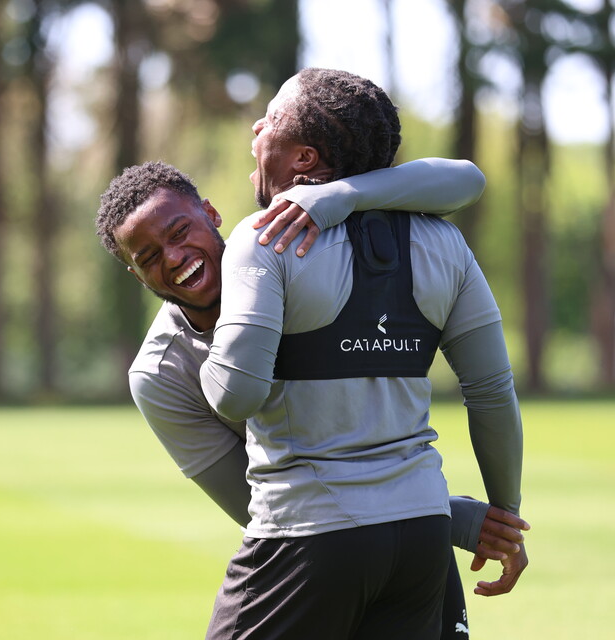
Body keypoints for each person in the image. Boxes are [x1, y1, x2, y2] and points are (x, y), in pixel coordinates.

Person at [96, 159, 528, 638]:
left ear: (212, 214)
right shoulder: (162, 375)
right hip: (318, 542)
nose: (174, 258)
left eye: (179, 232)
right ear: (137, 276)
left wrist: (342, 194)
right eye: (149, 257)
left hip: (412, 545)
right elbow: (252, 502)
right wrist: (456, 517)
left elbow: (464, 180)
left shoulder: (288, 247)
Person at [198, 68, 526, 639]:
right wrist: (504, 516)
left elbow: (234, 395)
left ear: (303, 158)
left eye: (270, 119)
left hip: (307, 537)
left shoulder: (264, 236)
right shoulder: (444, 240)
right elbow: (493, 392)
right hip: (422, 539)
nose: (256, 128)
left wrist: (202, 343)